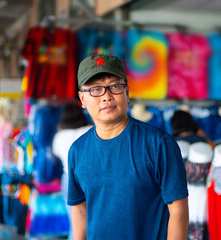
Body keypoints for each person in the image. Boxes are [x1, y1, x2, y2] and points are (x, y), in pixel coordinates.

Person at [67, 54, 189, 240]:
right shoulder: (78, 151)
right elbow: (80, 210)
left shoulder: (158, 144)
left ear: (127, 93)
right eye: (96, 89)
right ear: (82, 99)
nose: (106, 97)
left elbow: (178, 210)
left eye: (115, 86)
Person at [52, 102, 92, 239]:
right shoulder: (91, 130)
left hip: (68, 179)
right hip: (89, 180)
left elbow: (56, 154)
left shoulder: (59, 136)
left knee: (75, 221)